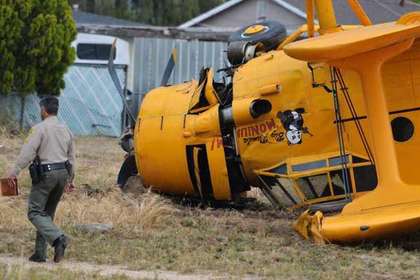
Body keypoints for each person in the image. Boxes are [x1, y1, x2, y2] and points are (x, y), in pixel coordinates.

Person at [6, 96, 75, 263]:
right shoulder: (66, 129)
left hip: (46, 175)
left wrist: (14, 172)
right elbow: (72, 157)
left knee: (35, 212)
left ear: (44, 110)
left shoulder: (39, 129)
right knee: (47, 214)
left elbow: (28, 152)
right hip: (62, 173)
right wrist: (71, 179)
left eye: (40, 109)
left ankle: (59, 239)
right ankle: (40, 253)